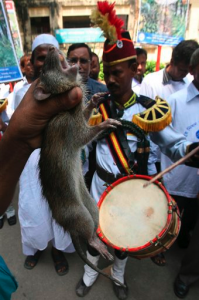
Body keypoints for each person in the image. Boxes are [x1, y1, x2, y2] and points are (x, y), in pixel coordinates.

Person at [75, 3, 198, 298]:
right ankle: (90, 274)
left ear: (133, 69)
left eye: (117, 72)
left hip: (131, 188)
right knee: (95, 235)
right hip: (98, 186)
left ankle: (118, 278)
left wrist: (191, 148)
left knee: (122, 241)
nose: (111, 79)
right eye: (107, 72)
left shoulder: (148, 110)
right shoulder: (96, 107)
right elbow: (79, 141)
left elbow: (173, 142)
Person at [16, 34, 76, 275]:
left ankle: (57, 250)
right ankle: (36, 247)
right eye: (41, 58)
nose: (46, 62)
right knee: (33, 210)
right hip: (30, 164)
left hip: (59, 162)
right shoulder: (21, 94)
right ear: (32, 62)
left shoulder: (69, 92)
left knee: (58, 210)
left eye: (52, 56)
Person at [139, 40, 199, 265]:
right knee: (163, 212)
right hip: (166, 165)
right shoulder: (153, 84)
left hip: (190, 172)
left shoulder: (185, 85)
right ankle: (158, 247)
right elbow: (153, 130)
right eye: (184, 69)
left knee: (187, 214)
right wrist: (153, 167)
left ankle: (182, 236)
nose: (185, 74)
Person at [172, 48, 199, 298]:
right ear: (193, 70)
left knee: (190, 221)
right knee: (172, 215)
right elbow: (166, 141)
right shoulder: (177, 100)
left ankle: (183, 237)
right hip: (179, 178)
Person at [0, 86, 17, 229]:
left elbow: (9, 121)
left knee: (6, 178)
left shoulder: (4, 90)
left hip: (3, 143)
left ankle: (10, 210)